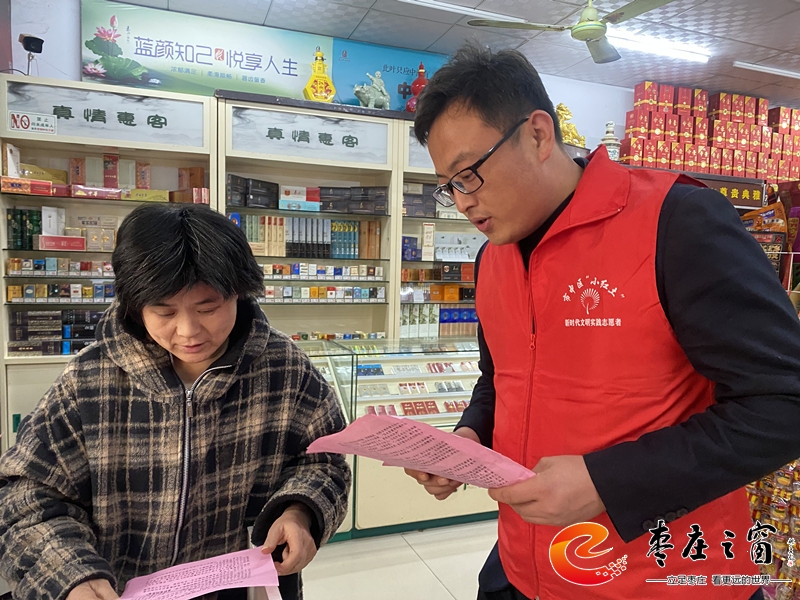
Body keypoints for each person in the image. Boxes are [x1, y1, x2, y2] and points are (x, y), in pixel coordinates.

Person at [405, 43, 800, 600]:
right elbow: (502, 380)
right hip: (522, 569)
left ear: (538, 134)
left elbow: (784, 402)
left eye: (469, 174)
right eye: (449, 185)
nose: (464, 201)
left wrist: (608, 482)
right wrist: (470, 436)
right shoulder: (491, 259)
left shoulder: (675, 223)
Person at [0, 203, 351, 600]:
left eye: (208, 308)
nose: (188, 331)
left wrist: (300, 511)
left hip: (240, 587)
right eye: (164, 311)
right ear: (136, 305)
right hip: (114, 586)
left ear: (239, 292)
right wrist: (69, 573)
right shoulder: (90, 379)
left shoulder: (283, 368)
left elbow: (324, 460)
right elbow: (26, 494)